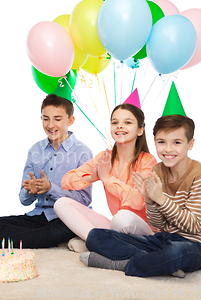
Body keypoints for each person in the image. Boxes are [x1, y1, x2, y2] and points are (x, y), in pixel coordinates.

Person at [81, 85, 201, 278]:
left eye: (177, 142)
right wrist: (150, 200)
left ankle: (122, 265)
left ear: (190, 144)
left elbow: (193, 226)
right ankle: (160, 263)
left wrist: (160, 199)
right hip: (162, 239)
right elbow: (158, 223)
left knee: (175, 253)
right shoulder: (158, 170)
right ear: (154, 142)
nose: (168, 149)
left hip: (194, 245)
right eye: (162, 142)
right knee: (96, 236)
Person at [0, 94, 93, 248]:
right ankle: (39, 237)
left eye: (57, 119)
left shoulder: (83, 152)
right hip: (40, 216)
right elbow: (23, 200)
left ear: (70, 121)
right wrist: (31, 191)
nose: (50, 124)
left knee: (59, 230)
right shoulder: (35, 150)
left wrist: (51, 189)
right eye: (46, 118)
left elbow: (85, 200)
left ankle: (4, 241)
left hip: (68, 218)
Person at [55, 101, 158, 245]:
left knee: (122, 217)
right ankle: (97, 242)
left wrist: (107, 179)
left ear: (140, 130)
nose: (119, 126)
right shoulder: (105, 158)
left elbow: (139, 201)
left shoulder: (147, 161)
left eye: (127, 122)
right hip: (116, 225)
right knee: (61, 203)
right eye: (115, 122)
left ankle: (102, 243)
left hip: (143, 229)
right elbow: (66, 181)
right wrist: (92, 177)